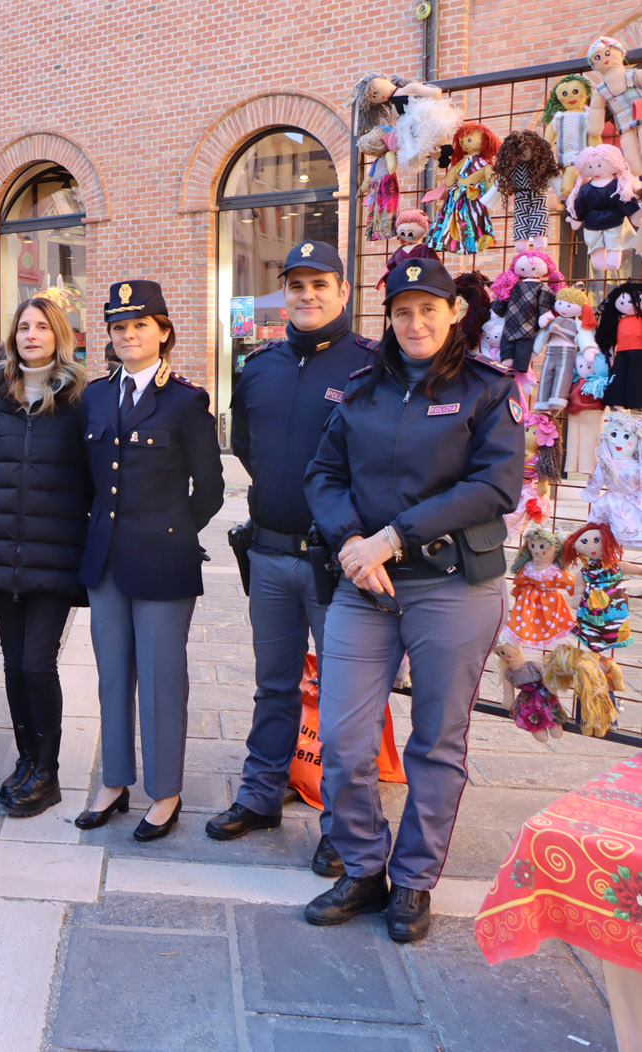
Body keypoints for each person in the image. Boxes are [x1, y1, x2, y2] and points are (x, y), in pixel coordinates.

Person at [303, 258, 522, 942]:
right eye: (402, 311)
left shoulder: (488, 390)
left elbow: (494, 488)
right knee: (342, 740)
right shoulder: (364, 390)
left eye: (429, 308)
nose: (415, 322)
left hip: (453, 587)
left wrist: (392, 538)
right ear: (388, 317)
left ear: (454, 311)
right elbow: (324, 473)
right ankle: (365, 868)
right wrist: (350, 544)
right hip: (364, 587)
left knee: (436, 743)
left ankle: (415, 880)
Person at [206, 242, 377, 875]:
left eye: (319, 285)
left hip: (340, 563)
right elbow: (247, 445)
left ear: (343, 289)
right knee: (273, 684)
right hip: (273, 553)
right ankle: (261, 794)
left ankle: (344, 822)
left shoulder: (372, 366)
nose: (307, 296)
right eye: (296, 286)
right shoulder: (260, 366)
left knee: (343, 697)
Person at [77, 281, 225, 840]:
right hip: (106, 561)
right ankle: (114, 782)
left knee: (162, 680)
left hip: (163, 561)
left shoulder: (185, 401)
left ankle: (165, 792)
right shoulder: (94, 397)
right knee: (112, 675)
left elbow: (209, 487)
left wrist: (174, 532)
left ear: (163, 332)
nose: (128, 335)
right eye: (118, 327)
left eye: (139, 325)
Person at [0, 296, 90, 818]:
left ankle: (49, 769)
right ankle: (26, 760)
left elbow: (90, 475)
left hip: (53, 551)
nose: (30, 335)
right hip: (0, 550)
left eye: (41, 327)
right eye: (23, 327)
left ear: (58, 334)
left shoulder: (82, 397)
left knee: (38, 664)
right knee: (13, 665)